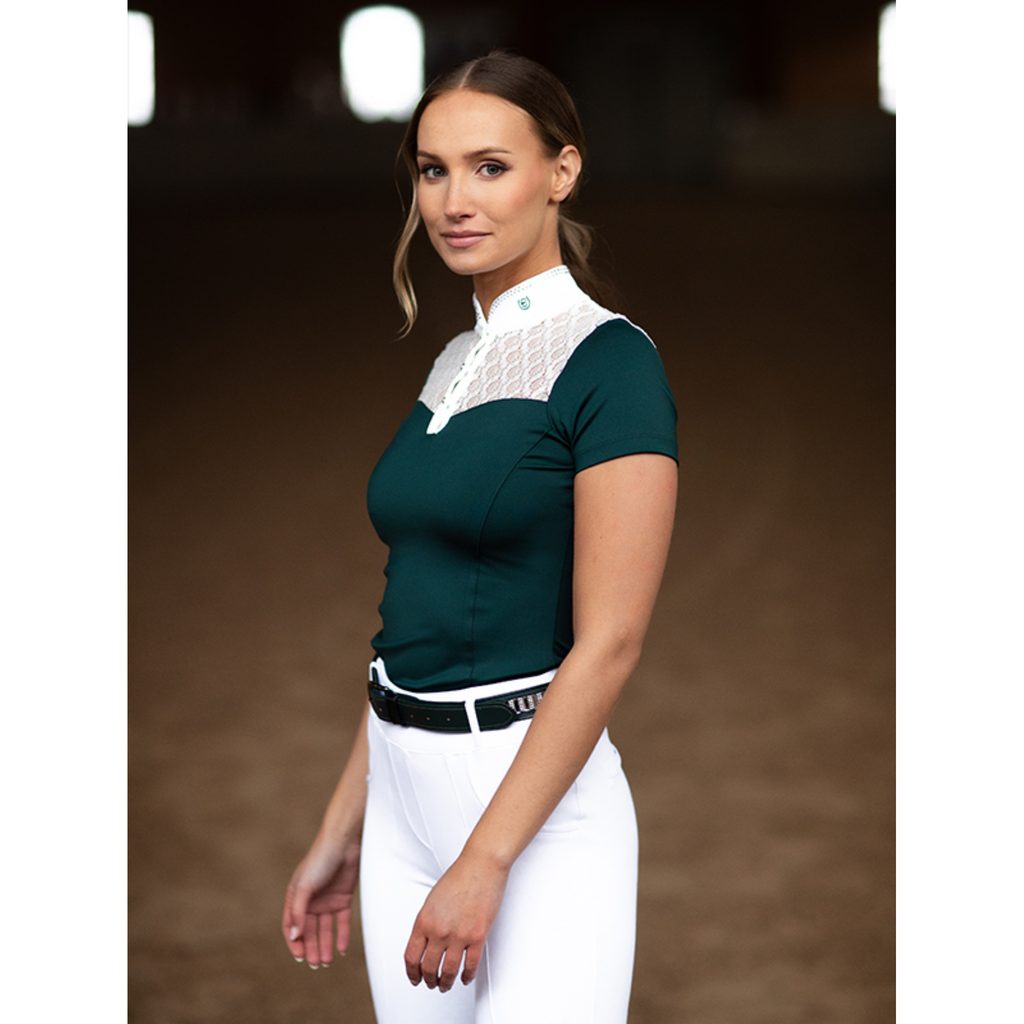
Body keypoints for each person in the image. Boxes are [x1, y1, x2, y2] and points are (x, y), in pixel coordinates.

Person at [281, 48, 679, 1023]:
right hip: (399, 803)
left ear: (562, 171)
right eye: (433, 170)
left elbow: (611, 640)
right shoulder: (456, 358)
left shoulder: (613, 363)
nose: (454, 201)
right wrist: (345, 824)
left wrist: (488, 856)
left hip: (533, 814)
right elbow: (411, 613)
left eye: (490, 167)